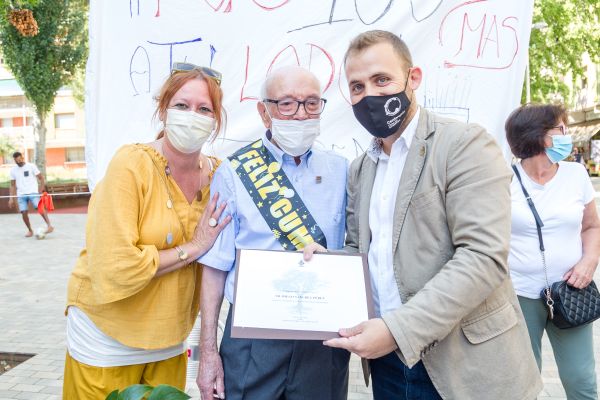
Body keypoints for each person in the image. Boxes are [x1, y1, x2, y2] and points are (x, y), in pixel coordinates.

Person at [304, 30, 541, 399]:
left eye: (382, 79)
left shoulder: (464, 145)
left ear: (413, 78)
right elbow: (362, 251)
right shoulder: (360, 168)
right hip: (389, 365)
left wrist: (398, 330)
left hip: (467, 366)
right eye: (357, 87)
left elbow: (483, 257)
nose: (370, 95)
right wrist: (331, 266)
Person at [62, 62, 232, 399]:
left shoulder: (220, 175)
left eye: (204, 109)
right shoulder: (131, 165)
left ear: (215, 120)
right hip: (106, 335)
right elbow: (115, 269)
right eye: (182, 105)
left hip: (169, 338)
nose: (192, 116)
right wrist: (193, 248)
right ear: (163, 109)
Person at [196, 66, 349, 400]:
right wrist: (207, 352)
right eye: (287, 104)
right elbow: (215, 268)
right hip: (252, 337)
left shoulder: (342, 171)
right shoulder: (234, 173)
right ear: (264, 112)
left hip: (323, 338)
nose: (300, 115)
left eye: (311, 103)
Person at [505, 103, 600, 399]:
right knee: (523, 383)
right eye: (560, 129)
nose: (566, 135)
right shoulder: (502, 180)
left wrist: (589, 261)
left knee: (581, 380)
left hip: (572, 290)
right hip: (518, 293)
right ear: (537, 135)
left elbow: (591, 226)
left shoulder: (575, 174)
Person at [8, 151, 54, 237]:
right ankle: (30, 230)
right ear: (14, 160)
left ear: (22, 158)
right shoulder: (13, 170)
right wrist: (11, 198)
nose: (18, 162)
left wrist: (42, 187)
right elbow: (12, 185)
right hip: (21, 194)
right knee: (23, 212)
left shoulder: (31, 166)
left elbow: (41, 178)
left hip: (33, 192)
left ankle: (49, 226)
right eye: (16, 161)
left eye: (19, 160)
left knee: (39, 208)